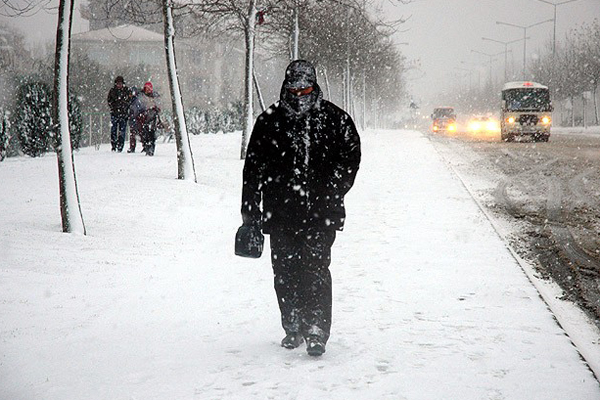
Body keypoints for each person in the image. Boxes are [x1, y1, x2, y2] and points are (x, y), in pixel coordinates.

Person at [237, 60, 361, 357]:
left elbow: (351, 158)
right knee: (285, 271)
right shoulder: (269, 121)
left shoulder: (334, 119)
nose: (298, 94)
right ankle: (292, 324)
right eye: (293, 88)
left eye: (304, 87)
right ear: (285, 85)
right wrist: (250, 217)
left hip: (321, 214)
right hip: (280, 215)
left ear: (313, 85)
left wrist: (332, 188)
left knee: (315, 269)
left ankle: (317, 329)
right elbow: (252, 172)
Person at [136, 81, 161, 156]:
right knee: (145, 134)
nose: (148, 90)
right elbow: (139, 106)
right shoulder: (141, 97)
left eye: (149, 88)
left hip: (153, 118)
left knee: (152, 134)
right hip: (144, 118)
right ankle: (147, 147)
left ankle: (151, 148)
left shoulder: (155, 97)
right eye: (146, 88)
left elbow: (159, 106)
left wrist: (155, 108)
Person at [107, 76, 130, 152]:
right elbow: (109, 101)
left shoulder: (126, 91)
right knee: (114, 130)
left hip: (123, 114)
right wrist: (113, 107)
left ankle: (120, 146)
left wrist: (125, 107)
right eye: (118, 83)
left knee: (122, 131)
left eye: (120, 83)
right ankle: (114, 145)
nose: (119, 85)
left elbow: (129, 101)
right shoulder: (113, 91)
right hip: (115, 113)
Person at [127, 86, 143, 153]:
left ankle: (133, 147)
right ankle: (133, 147)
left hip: (136, 118)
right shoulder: (134, 100)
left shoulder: (136, 101)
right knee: (134, 134)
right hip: (134, 118)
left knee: (136, 133)